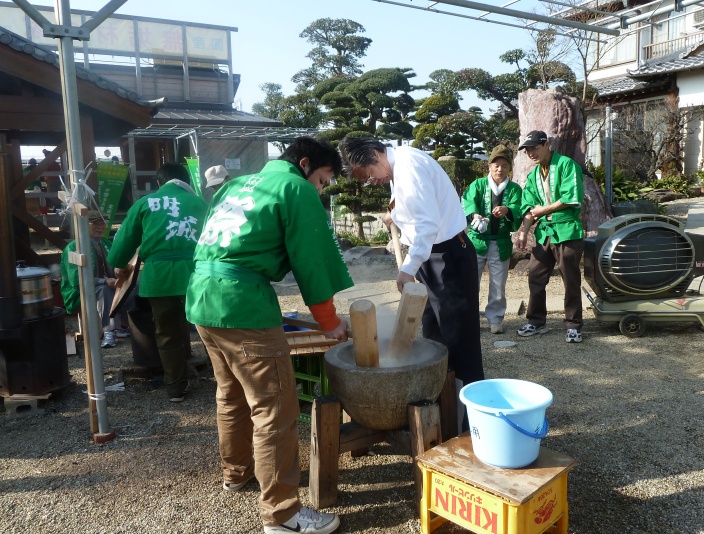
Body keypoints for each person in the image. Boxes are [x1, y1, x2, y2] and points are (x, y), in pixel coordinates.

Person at [185, 137, 351, 534]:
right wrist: (329, 321)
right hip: (243, 305)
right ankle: (282, 514)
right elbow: (312, 259)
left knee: (230, 394)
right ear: (305, 164)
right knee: (274, 409)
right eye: (323, 180)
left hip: (203, 298)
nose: (321, 189)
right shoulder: (294, 187)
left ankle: (236, 472)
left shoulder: (235, 184)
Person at [338, 136, 484, 427]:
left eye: (368, 175)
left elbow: (427, 225)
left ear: (376, 154)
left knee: (459, 340)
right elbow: (415, 208)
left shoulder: (409, 166)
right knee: (434, 335)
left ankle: (470, 422)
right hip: (432, 257)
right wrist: (394, 215)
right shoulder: (396, 168)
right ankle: (443, 413)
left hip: (448, 256)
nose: (372, 182)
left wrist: (407, 269)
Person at [107, 162, 208, 402]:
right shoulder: (201, 204)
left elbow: (119, 250)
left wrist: (119, 264)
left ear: (159, 183)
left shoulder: (145, 203)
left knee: (167, 334)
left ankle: (175, 388)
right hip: (197, 275)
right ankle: (226, 383)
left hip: (159, 278)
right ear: (187, 182)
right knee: (210, 329)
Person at [514, 130, 585, 343]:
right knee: (535, 277)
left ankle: (573, 325)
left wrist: (543, 210)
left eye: (535, 148)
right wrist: (523, 232)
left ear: (547, 144)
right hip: (544, 231)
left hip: (567, 230)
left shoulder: (567, 164)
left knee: (570, 279)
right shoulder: (533, 175)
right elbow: (529, 208)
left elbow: (571, 198)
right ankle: (536, 321)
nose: (531, 153)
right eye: (527, 150)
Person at [461, 144, 523, 334]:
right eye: (496, 165)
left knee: (498, 283)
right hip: (476, 240)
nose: (500, 169)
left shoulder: (514, 189)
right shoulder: (478, 185)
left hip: (501, 241)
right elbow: (467, 202)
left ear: (509, 167)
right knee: (470, 281)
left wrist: (507, 210)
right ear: (489, 166)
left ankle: (495, 319)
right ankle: (469, 318)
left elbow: (518, 209)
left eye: (504, 165)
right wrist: (474, 215)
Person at [60, 210, 131, 348]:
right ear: (84, 225)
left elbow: (117, 263)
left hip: (108, 284)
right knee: (104, 290)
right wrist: (105, 281)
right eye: (95, 224)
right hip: (79, 292)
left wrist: (121, 272)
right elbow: (77, 281)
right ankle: (109, 331)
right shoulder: (73, 247)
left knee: (133, 287)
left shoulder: (105, 243)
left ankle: (127, 325)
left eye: (102, 223)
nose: (100, 227)